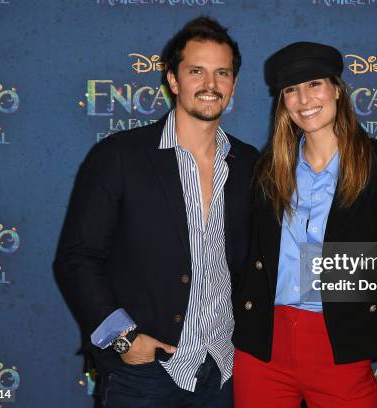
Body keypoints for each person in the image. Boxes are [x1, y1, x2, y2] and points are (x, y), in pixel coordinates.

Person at [54, 17, 258, 408]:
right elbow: (77, 258)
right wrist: (124, 339)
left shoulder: (250, 163)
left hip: (225, 371)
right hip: (145, 372)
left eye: (222, 73)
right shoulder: (119, 156)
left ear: (233, 85)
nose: (210, 84)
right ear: (173, 79)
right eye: (196, 71)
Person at [232, 42, 377, 408]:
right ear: (282, 101)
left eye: (314, 83)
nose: (303, 99)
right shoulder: (267, 168)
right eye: (291, 90)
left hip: (340, 343)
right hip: (263, 346)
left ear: (336, 90)